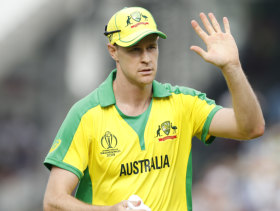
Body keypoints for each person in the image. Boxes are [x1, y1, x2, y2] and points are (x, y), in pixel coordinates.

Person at [43, 6, 265, 211]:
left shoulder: (183, 103)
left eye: (151, 48)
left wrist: (232, 68)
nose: (146, 58)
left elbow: (251, 128)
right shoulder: (85, 115)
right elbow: (53, 201)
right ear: (113, 51)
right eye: (134, 50)